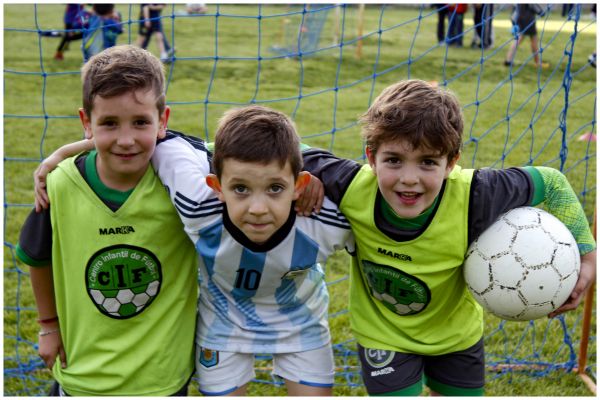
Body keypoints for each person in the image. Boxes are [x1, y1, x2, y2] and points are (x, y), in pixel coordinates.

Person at [300, 79, 596, 396]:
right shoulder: (350, 184)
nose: (409, 179)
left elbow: (552, 183)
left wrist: (589, 256)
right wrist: (299, 176)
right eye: (393, 160)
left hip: (457, 336)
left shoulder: (477, 194)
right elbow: (278, 148)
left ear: (451, 162)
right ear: (371, 158)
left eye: (428, 162)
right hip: (382, 335)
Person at [32, 105, 354, 396]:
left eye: (275, 188)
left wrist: (316, 163)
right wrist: (67, 151)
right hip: (223, 325)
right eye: (240, 188)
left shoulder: (325, 219)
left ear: (298, 185)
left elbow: (373, 199)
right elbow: (150, 139)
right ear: (216, 187)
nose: (257, 208)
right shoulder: (197, 204)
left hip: (300, 321)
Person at [16, 45, 198, 396]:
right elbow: (37, 258)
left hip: (162, 377)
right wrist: (48, 325)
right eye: (109, 123)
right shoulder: (59, 184)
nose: (126, 140)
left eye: (141, 122)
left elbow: (252, 155)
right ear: (86, 122)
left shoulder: (184, 180)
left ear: (164, 120)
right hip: (83, 373)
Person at [504, 4, 549, 69]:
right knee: (533, 39)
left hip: (520, 19)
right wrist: (541, 12)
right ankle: (537, 62)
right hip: (528, 20)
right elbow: (535, 7)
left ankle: (508, 60)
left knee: (519, 39)